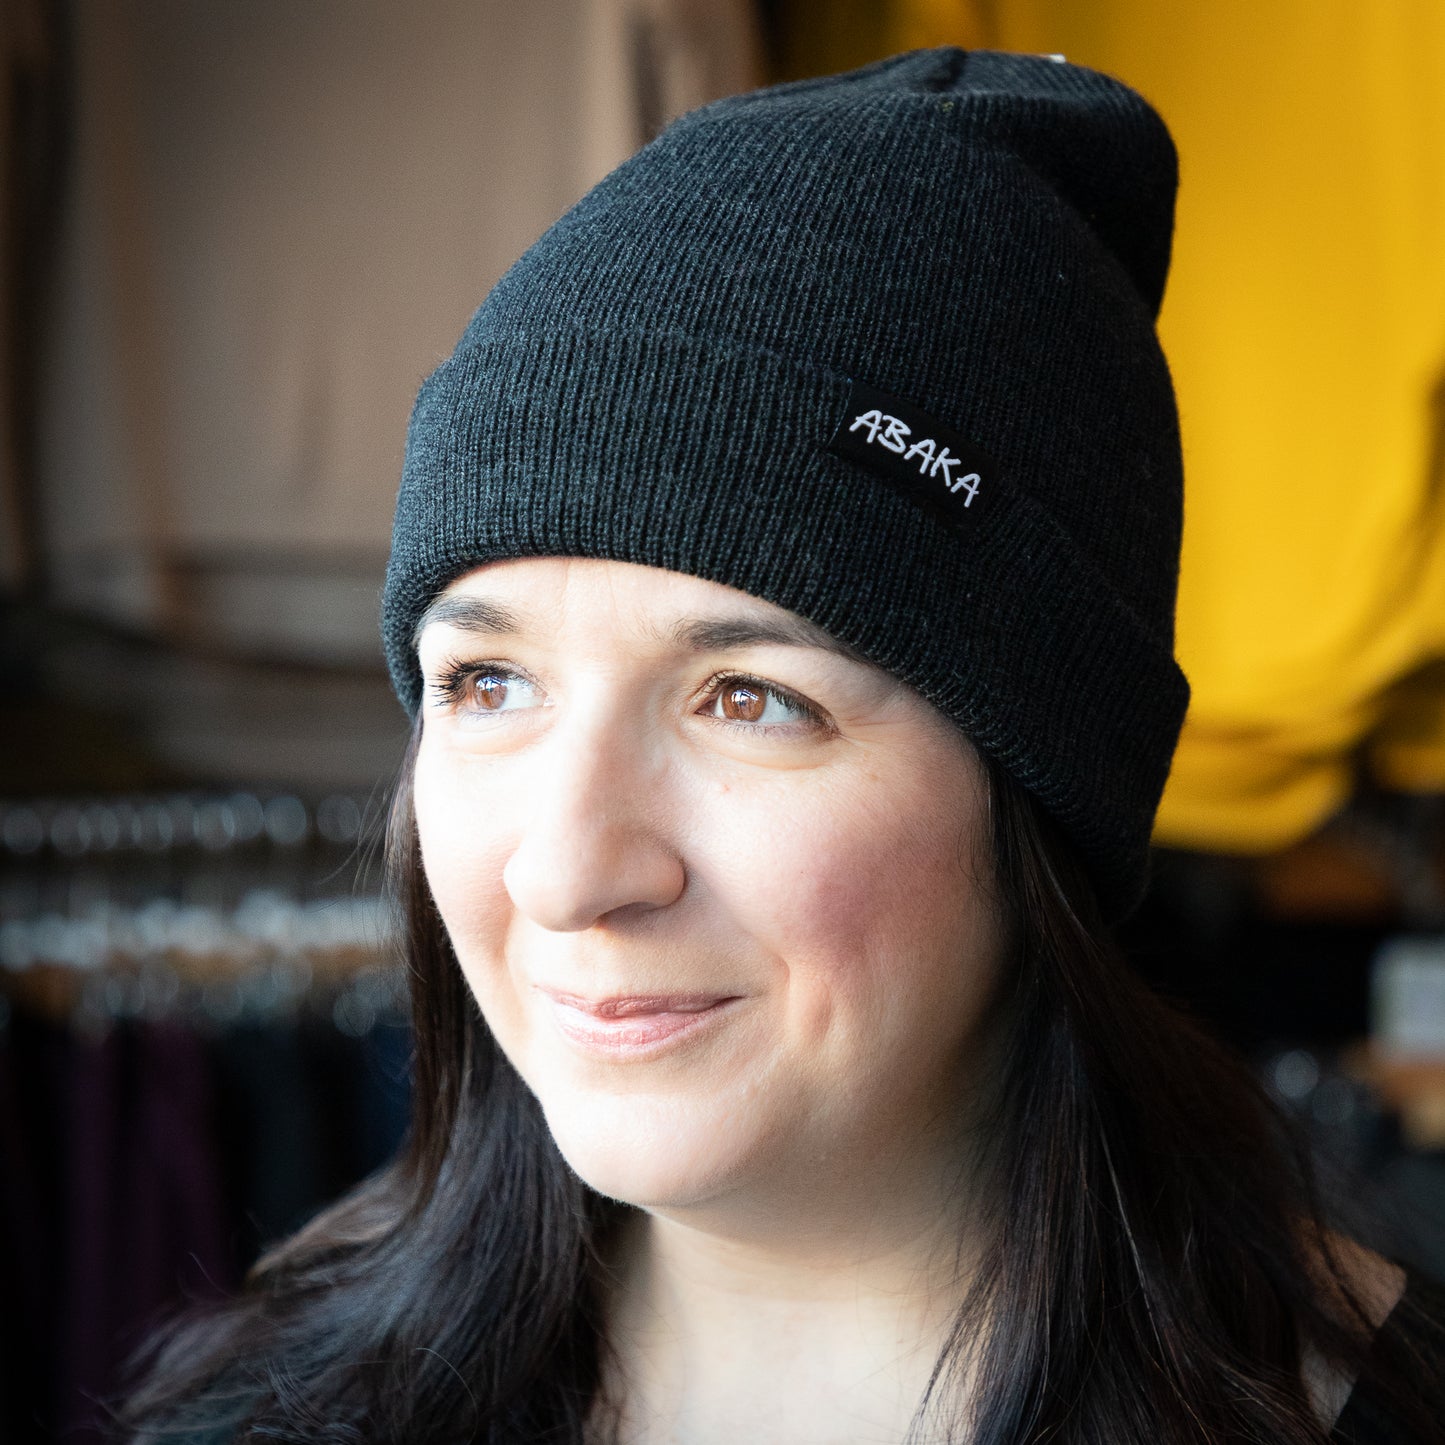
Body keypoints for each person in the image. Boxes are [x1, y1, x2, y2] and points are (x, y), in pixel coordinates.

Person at [121, 48, 1445, 1445]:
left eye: (749, 700)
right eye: (489, 682)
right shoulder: (261, 1420)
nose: (566, 873)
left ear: (1045, 789)